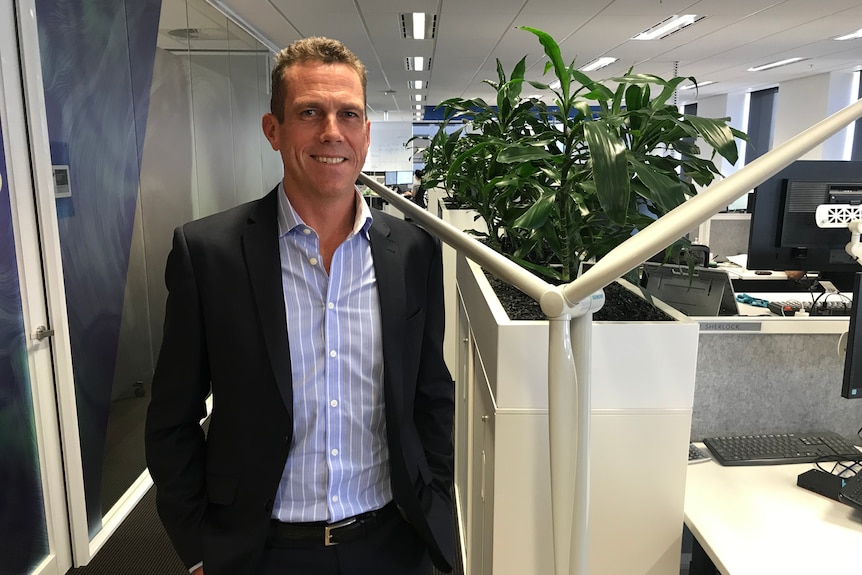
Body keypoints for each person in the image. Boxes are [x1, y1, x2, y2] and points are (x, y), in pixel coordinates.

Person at [145, 36, 455, 575]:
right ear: (274, 130)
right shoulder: (209, 254)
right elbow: (173, 417)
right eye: (309, 112)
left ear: (365, 133)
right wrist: (198, 548)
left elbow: (431, 394)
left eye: (348, 114)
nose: (331, 131)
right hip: (261, 550)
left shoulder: (413, 252)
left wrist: (438, 508)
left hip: (393, 541)